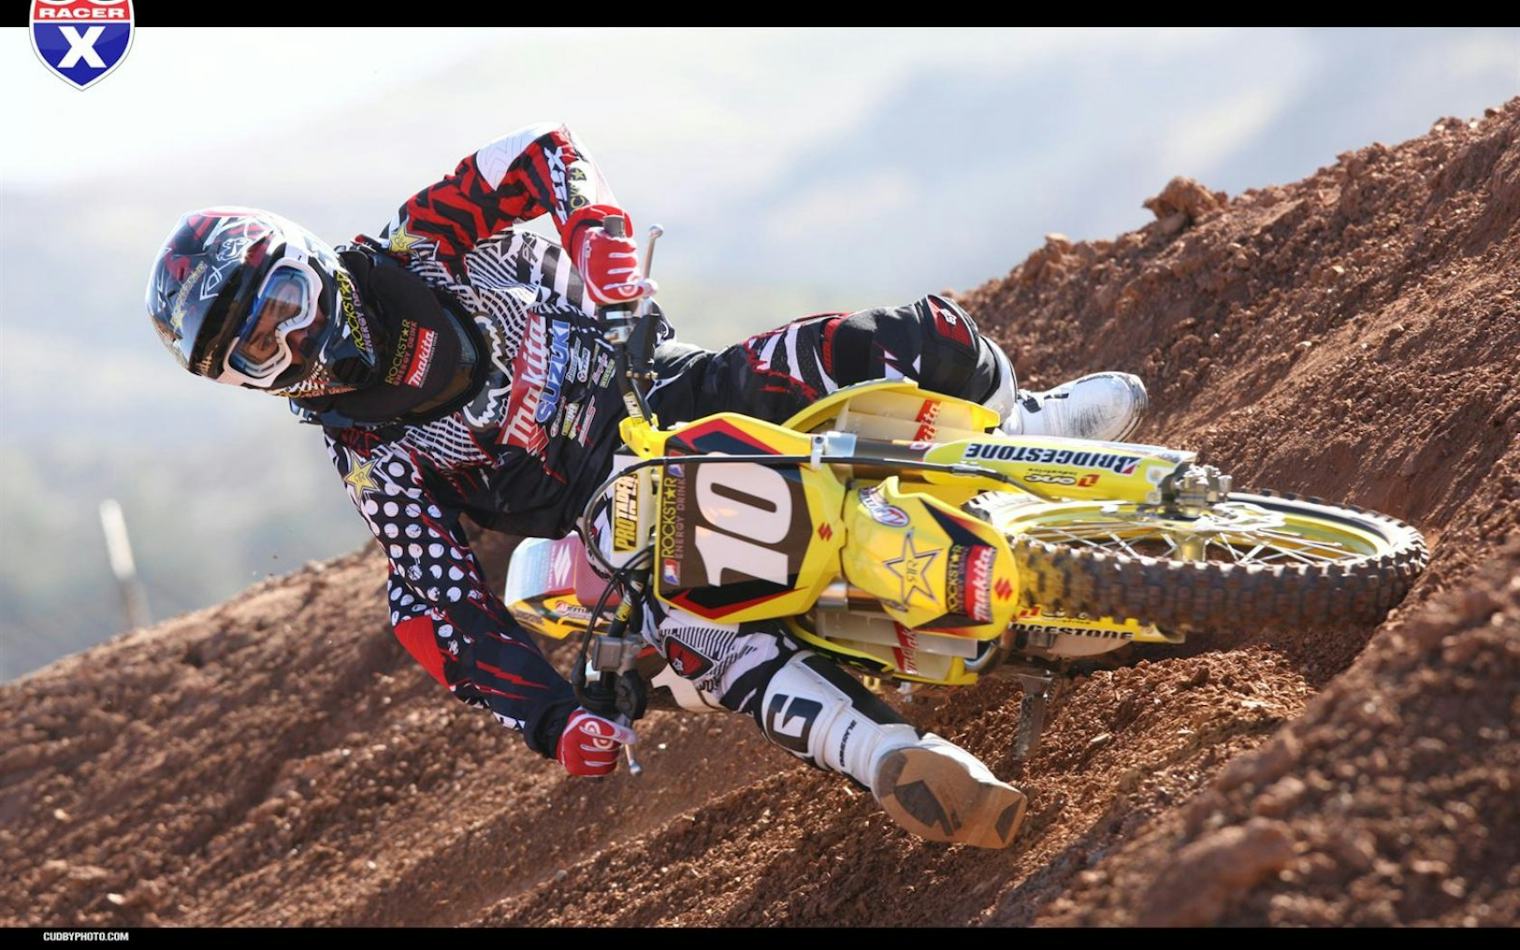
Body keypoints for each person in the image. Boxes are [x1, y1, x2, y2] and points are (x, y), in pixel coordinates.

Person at [145, 123, 1147, 848]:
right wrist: (553, 720)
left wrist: (591, 226)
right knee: (705, 642)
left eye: (283, 303)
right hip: (613, 530)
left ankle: (1022, 431)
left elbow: (539, 151)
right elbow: (438, 610)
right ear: (249, 384)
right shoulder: (376, 458)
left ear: (307, 259)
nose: (296, 343)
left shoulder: (426, 240)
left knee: (901, 337)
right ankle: (882, 754)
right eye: (260, 353)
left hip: (669, 388)